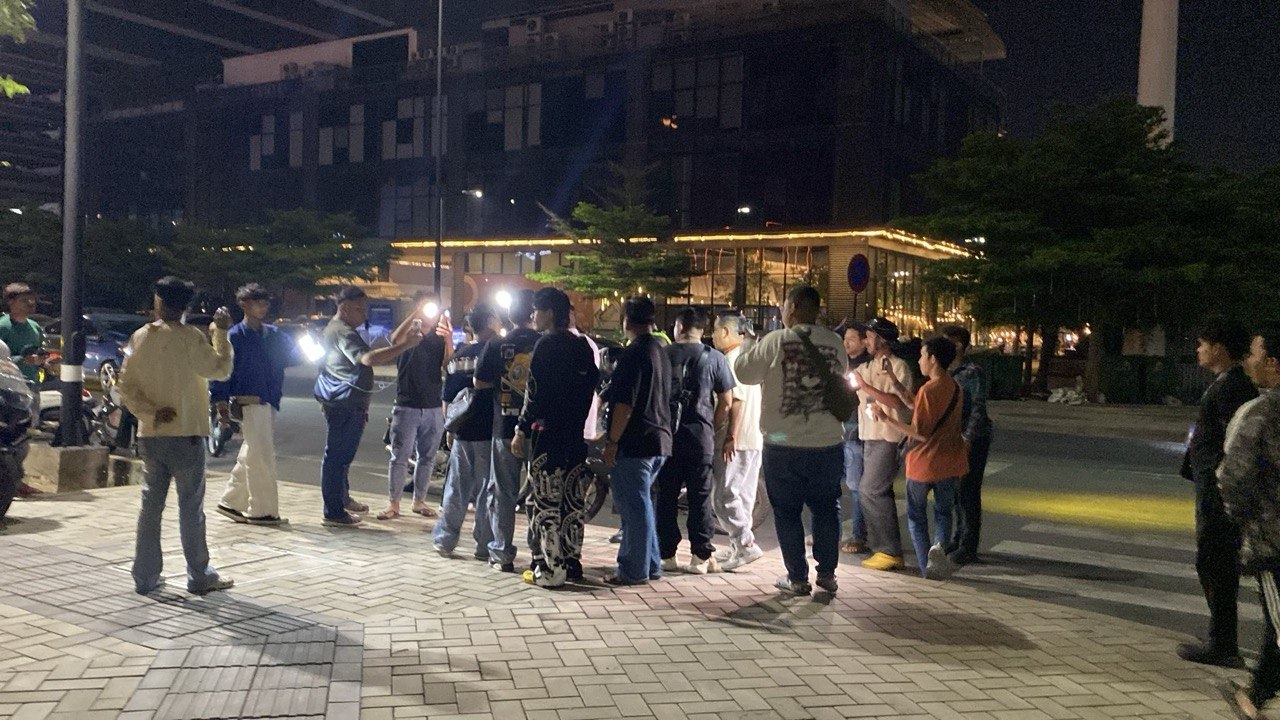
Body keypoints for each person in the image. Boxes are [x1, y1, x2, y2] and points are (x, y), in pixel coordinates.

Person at [116, 276, 234, 595]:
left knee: (150, 507)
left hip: (151, 435)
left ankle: (145, 576)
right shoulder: (191, 338)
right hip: (187, 435)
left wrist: (151, 413)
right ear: (186, 306)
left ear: (158, 301)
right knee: (190, 508)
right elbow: (221, 369)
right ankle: (199, 574)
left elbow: (125, 385)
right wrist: (221, 332)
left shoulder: (140, 337)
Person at [734, 285, 847, 596]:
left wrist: (748, 344)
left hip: (783, 443)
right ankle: (827, 573)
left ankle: (797, 577)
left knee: (786, 511)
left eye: (783, 306)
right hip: (827, 443)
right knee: (827, 508)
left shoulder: (776, 341)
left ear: (793, 306)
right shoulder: (835, 342)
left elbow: (744, 373)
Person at [1176, 317, 1258, 668]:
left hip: (1218, 493)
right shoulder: (1226, 383)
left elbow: (1232, 445)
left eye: (1202, 344)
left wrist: (1215, 485)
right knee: (1212, 562)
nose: (1198, 350)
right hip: (1213, 488)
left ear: (1218, 348)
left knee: (1216, 563)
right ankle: (1221, 637)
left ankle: (1223, 643)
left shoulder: (1233, 388)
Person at [511, 288, 599, 587]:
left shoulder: (545, 346)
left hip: (547, 435)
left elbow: (534, 393)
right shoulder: (583, 346)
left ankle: (550, 567)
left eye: (536, 310)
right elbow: (591, 386)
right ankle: (572, 562)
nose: (533, 316)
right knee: (572, 501)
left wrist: (521, 429)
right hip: (575, 435)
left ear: (549, 313)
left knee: (545, 501)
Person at [315, 287, 422, 527]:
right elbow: (368, 358)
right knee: (337, 457)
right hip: (344, 403)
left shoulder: (338, 329)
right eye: (359, 309)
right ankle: (333, 511)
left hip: (345, 402)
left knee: (341, 456)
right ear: (344, 308)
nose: (364, 314)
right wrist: (405, 345)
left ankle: (341, 499)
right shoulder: (342, 332)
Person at [1216, 322, 1280, 719]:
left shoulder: (1261, 412)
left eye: (1255, 354)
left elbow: (1234, 478)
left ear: (1273, 363)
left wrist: (1240, 520)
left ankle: (1255, 698)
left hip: (1274, 541)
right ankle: (1256, 696)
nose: (1248, 361)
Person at [870, 336, 967, 579]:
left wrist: (886, 418)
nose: (920, 360)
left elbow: (920, 432)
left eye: (923, 355)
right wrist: (893, 379)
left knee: (916, 517)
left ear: (933, 359)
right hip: (949, 462)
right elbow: (917, 406)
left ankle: (926, 566)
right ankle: (939, 550)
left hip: (923, 463)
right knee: (944, 513)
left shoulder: (928, 390)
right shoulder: (955, 388)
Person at [210, 284, 300, 527]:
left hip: (268, 398)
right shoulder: (235, 336)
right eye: (258, 303)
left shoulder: (273, 334)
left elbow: (292, 357)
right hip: (248, 399)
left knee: (254, 451)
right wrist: (221, 406)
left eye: (265, 303)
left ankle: (231, 501)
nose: (263, 307)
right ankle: (262, 510)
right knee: (262, 456)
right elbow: (222, 372)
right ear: (244, 305)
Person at [656, 307, 734, 574]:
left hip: (667, 438)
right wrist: (713, 427)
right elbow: (726, 402)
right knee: (700, 499)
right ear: (702, 330)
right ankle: (700, 556)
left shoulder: (663, 355)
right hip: (701, 438)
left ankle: (666, 555)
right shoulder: (715, 358)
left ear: (678, 328)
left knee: (666, 498)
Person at [600, 296, 672, 586]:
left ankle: (633, 569)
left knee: (633, 507)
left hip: (636, 441)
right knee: (643, 504)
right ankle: (650, 563)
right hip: (660, 438)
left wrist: (612, 441)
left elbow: (624, 405)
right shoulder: (661, 350)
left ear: (626, 321)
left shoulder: (633, 354)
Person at [474, 289, 540, 572]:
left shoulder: (496, 344)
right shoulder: (543, 343)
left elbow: (479, 382)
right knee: (538, 492)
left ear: (510, 315)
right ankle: (539, 553)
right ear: (533, 314)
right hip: (537, 428)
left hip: (504, 426)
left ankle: (502, 553)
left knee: (502, 491)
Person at [378, 295, 454, 521]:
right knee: (399, 457)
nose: (430, 311)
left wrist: (448, 338)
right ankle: (394, 504)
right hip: (407, 404)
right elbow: (394, 339)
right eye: (425, 306)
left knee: (427, 457)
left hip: (433, 406)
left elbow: (448, 365)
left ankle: (419, 501)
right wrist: (417, 314)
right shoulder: (408, 334)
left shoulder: (438, 336)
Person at [433, 305, 500, 558]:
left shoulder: (458, 358)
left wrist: (450, 428)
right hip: (488, 430)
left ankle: (445, 539)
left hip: (462, 432)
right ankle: (484, 544)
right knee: (486, 490)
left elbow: (447, 398)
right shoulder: (496, 353)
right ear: (490, 321)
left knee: (456, 487)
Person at [853, 317, 915, 571]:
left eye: (869, 336)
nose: (866, 341)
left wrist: (866, 387)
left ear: (881, 339)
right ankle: (882, 547)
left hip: (888, 437)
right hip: (869, 435)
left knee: (870, 490)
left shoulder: (898, 367)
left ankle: (889, 550)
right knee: (877, 491)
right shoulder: (866, 367)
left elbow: (899, 402)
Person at [710, 311, 765, 571]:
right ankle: (739, 545)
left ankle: (745, 544)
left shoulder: (731, 361)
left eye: (715, 330)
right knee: (742, 496)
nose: (712, 335)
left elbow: (736, 401)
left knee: (723, 497)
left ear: (725, 332)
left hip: (736, 440)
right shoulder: (748, 359)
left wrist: (729, 436)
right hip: (753, 437)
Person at [941, 325, 994, 565]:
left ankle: (968, 545)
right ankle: (957, 537)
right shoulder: (946, 371)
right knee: (955, 491)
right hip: (952, 437)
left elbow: (978, 408)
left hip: (973, 438)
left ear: (959, 346)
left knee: (968, 490)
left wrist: (968, 438)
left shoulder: (972, 372)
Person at [0, 283, 51, 498]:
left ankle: (16, 480)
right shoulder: (3, 327)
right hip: (6, 393)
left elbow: (38, 355)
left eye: (32, 299)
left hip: (30, 390)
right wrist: (22, 360)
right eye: (24, 300)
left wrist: (44, 363)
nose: (31, 303)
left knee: (24, 439)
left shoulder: (35, 327)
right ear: (10, 302)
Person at [838, 320, 872, 555]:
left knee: (855, 485)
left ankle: (859, 535)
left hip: (856, 431)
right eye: (845, 339)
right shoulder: (841, 363)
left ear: (863, 341)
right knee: (831, 483)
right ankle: (831, 530)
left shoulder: (867, 367)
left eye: (851, 339)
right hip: (837, 428)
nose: (846, 343)